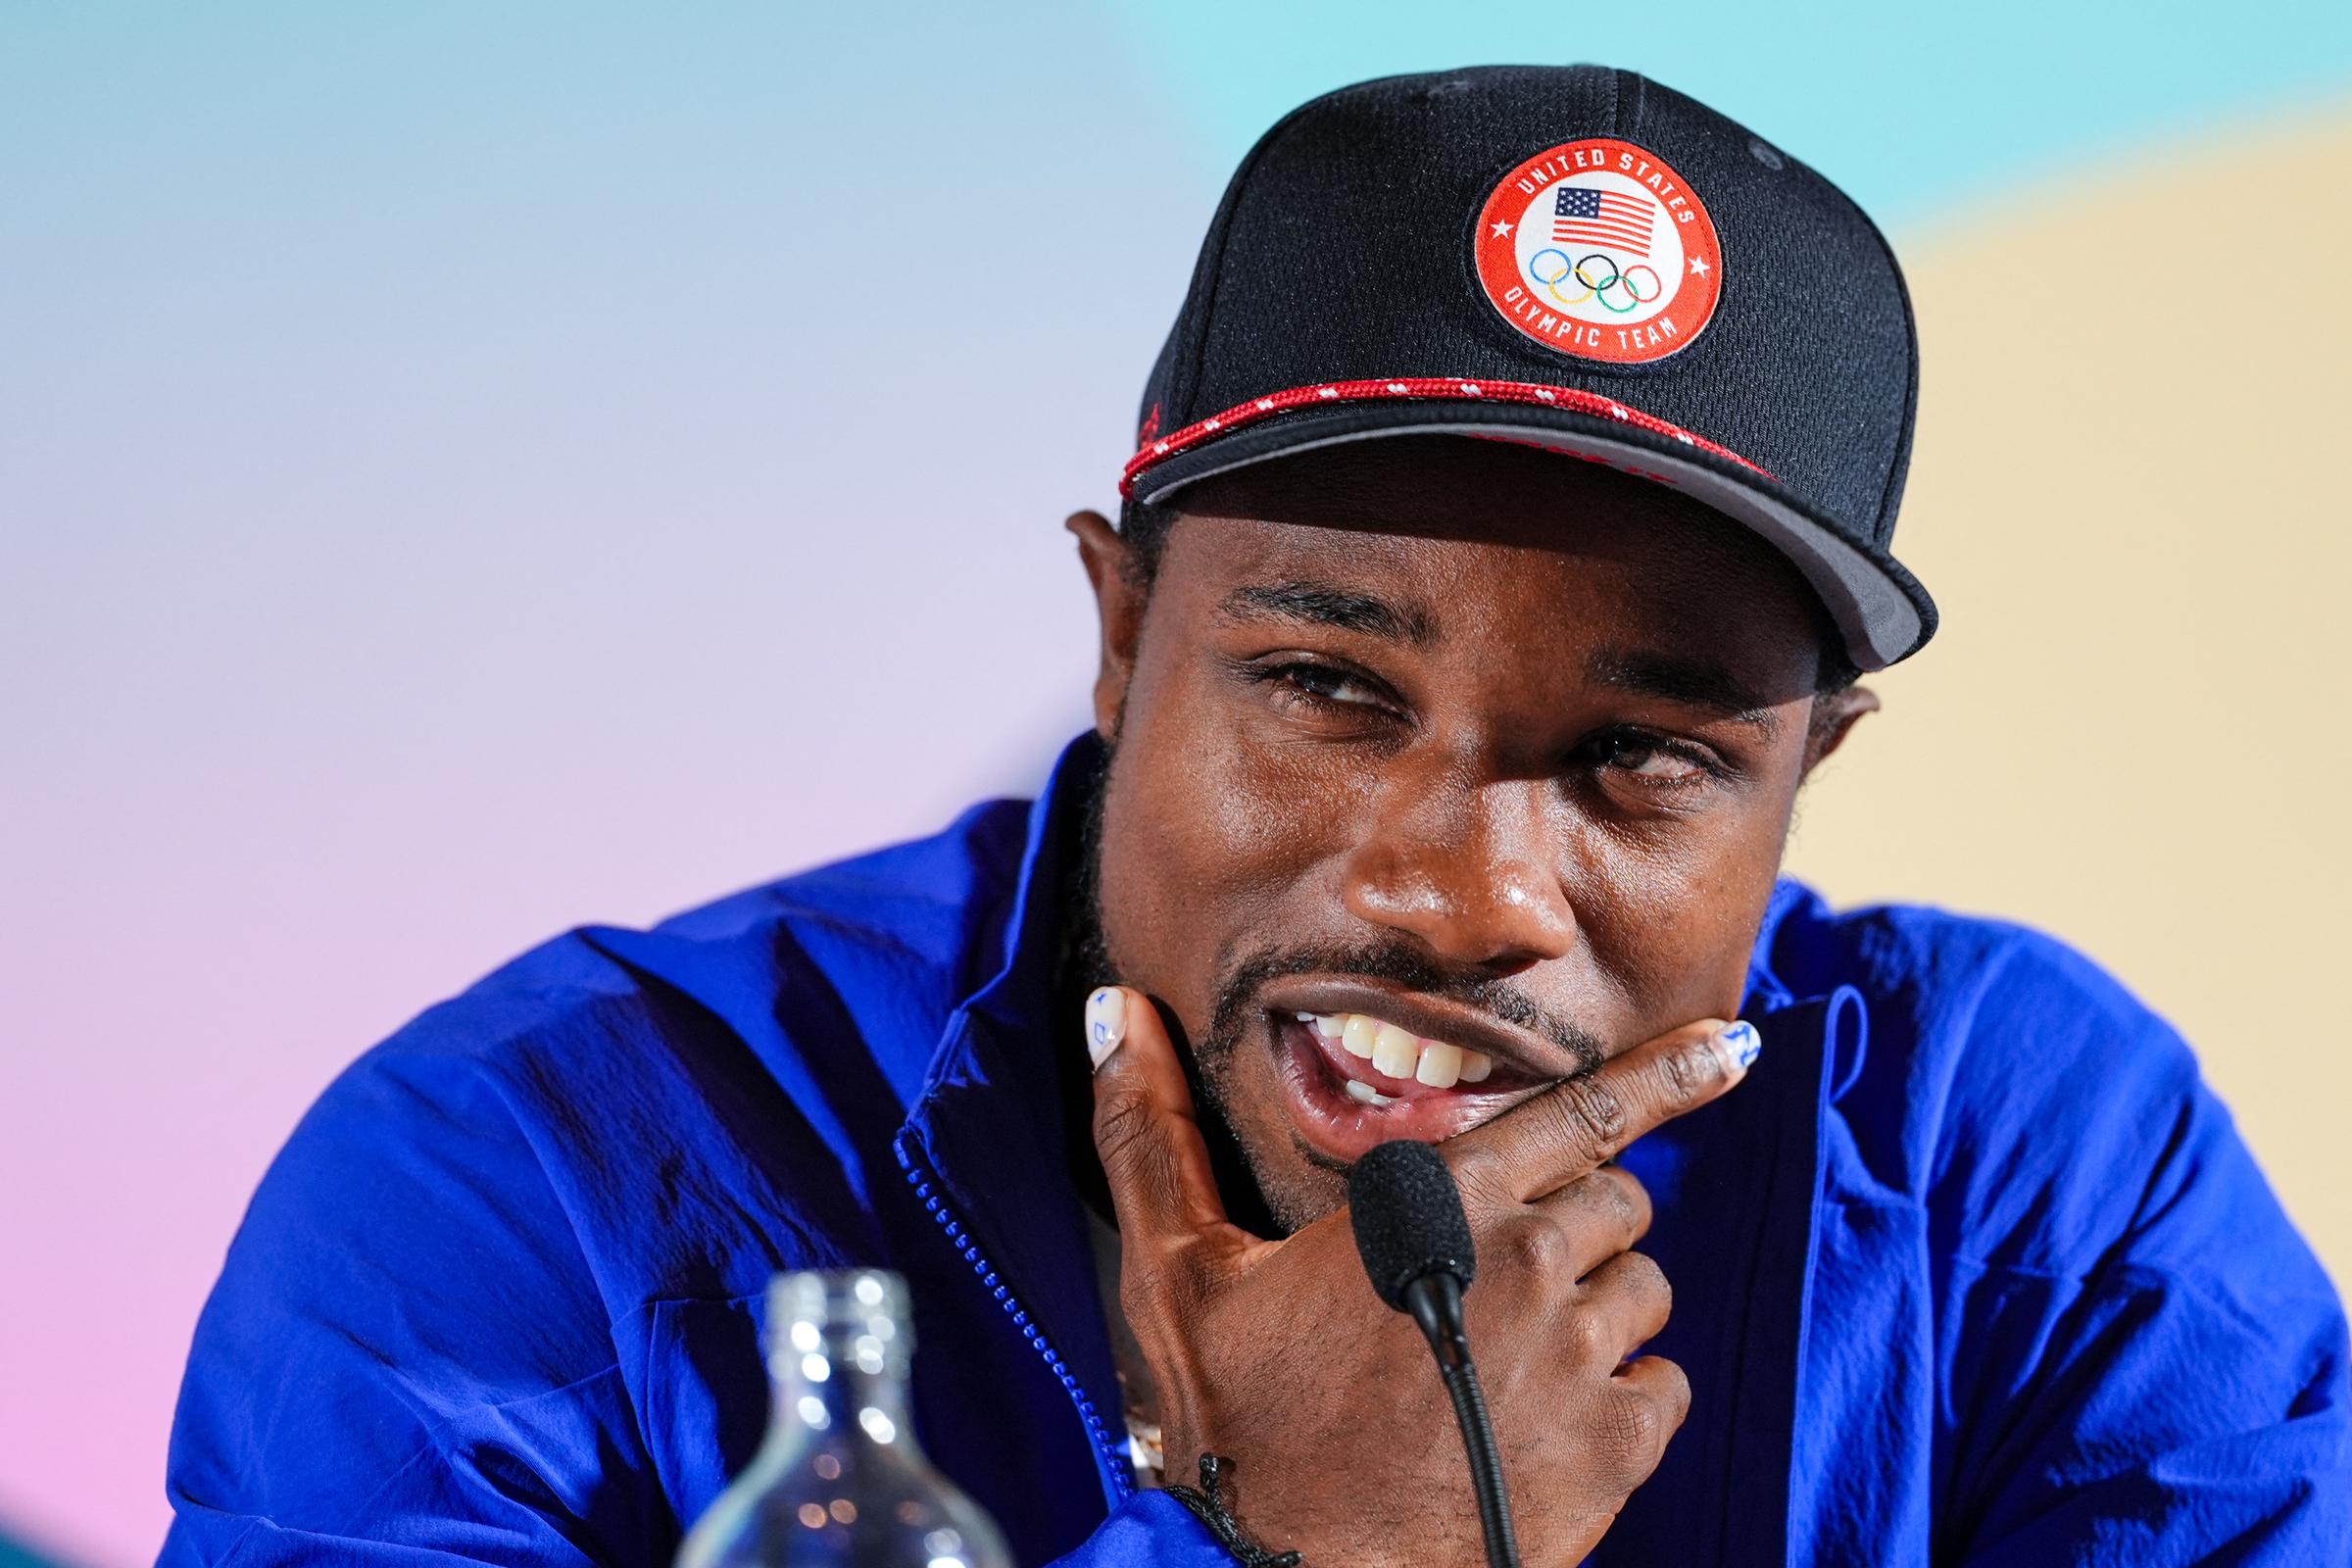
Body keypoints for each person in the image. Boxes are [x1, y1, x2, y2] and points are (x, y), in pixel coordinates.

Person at [158, 64, 2349, 1565]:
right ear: (1119, 636)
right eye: (1325, 685)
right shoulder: (531, 1176)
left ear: (1803, 780)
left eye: (1641, 757)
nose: (1458, 886)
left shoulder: (2023, 1172)